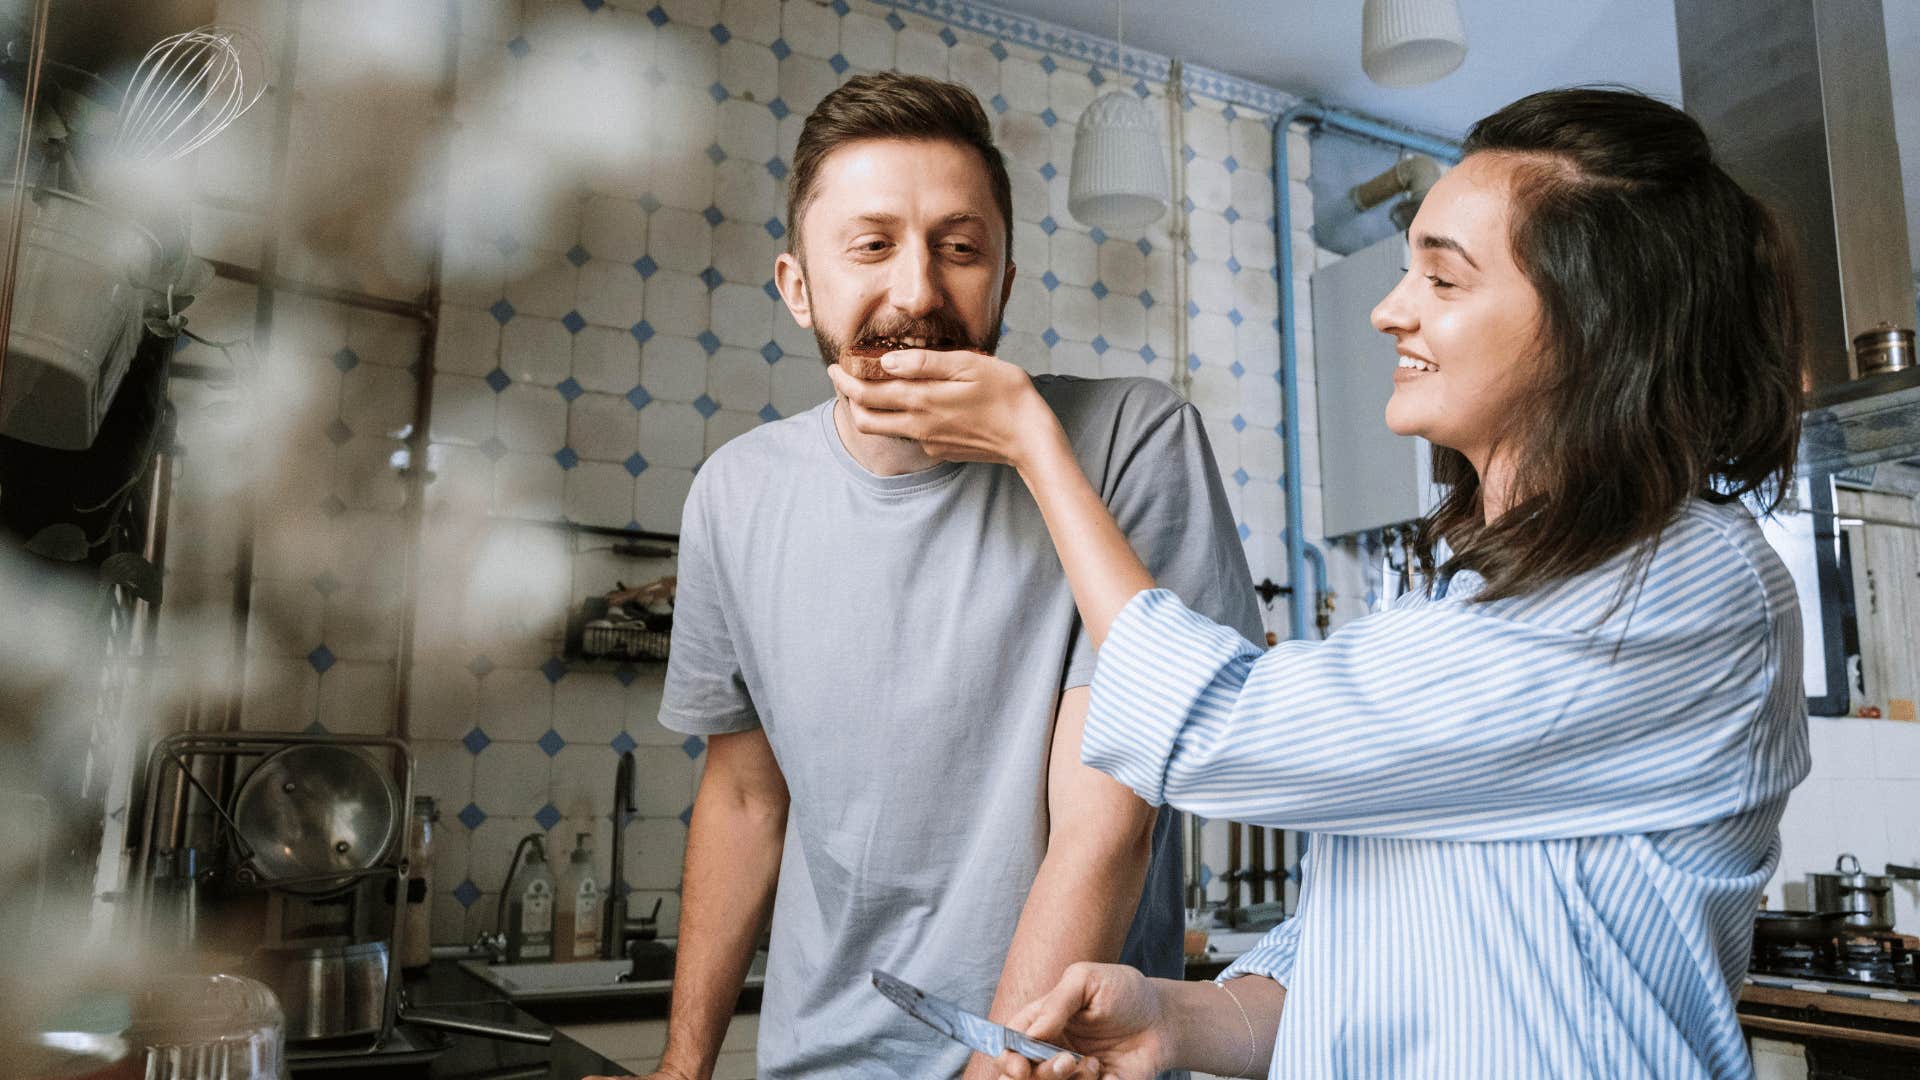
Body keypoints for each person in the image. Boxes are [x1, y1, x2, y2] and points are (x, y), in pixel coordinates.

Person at [828, 87, 1811, 1079]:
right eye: (1403, 274)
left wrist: (1037, 446)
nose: (1391, 311)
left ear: (1595, 326)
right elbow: (1352, 961)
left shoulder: (1683, 590)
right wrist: (1173, 1019)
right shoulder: (1462, 596)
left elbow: (1220, 729)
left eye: (1445, 281)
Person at [611, 73, 1261, 1080]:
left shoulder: (1134, 440)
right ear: (797, 287)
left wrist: (994, 1064)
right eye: (871, 247)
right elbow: (743, 797)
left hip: (1047, 1064)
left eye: (959, 250)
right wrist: (683, 1062)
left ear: (1002, 280)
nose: (917, 292)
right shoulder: (731, 495)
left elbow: (1107, 823)